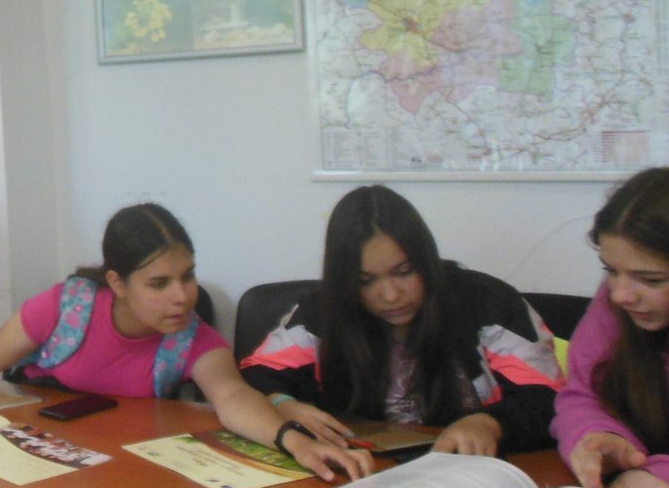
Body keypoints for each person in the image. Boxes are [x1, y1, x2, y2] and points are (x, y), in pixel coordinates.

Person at [0, 203, 370, 482]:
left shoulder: (192, 337)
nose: (182, 296)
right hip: (40, 457)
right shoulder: (66, 308)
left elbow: (232, 398)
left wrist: (294, 440)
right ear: (117, 283)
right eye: (159, 283)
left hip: (126, 469)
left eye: (188, 276)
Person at [240, 185, 561, 455]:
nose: (391, 295)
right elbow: (254, 375)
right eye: (365, 281)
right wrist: (282, 403)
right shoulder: (322, 313)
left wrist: (490, 424)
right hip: (366, 471)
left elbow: (547, 400)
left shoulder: (489, 304)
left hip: (479, 471)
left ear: (426, 259)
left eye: (404, 272)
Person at [555, 167, 669, 488]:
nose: (620, 295)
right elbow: (582, 395)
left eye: (651, 279)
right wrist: (597, 436)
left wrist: (655, 474)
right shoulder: (612, 307)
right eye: (611, 271)